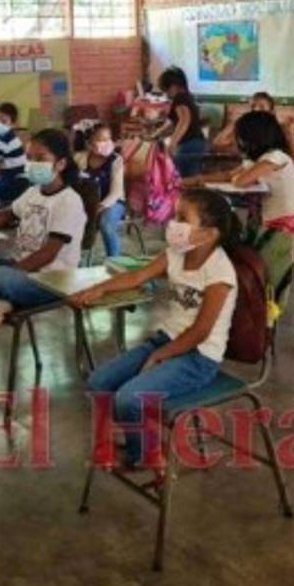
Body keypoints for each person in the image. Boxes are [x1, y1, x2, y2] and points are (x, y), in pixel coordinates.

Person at [72, 189, 240, 468]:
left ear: (208, 234)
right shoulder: (176, 253)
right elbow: (138, 275)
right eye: (175, 215)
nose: (173, 223)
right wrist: (99, 289)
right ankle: (146, 442)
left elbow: (201, 331)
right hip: (167, 341)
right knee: (98, 383)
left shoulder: (219, 273)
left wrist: (161, 355)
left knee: (129, 399)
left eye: (182, 218)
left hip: (198, 357)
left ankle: (143, 455)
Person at [0, 128, 96, 327]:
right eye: (29, 158)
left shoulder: (68, 201)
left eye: (40, 158)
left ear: (61, 164)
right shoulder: (33, 192)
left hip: (51, 280)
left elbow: (48, 254)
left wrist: (8, 271)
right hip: (20, 268)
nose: (32, 164)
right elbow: (7, 215)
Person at [187, 110, 294, 236]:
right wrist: (195, 180)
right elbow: (228, 175)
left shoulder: (275, 156)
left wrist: (238, 177)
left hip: (287, 222)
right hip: (275, 218)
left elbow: (240, 181)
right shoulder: (258, 160)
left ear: (251, 137)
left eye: (238, 136)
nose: (236, 141)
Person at [77, 122, 127, 258]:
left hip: (112, 203)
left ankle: (114, 261)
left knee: (106, 224)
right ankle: (74, 259)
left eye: (108, 139)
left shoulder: (116, 160)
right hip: (88, 202)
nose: (107, 143)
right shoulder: (80, 158)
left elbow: (116, 192)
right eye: (101, 140)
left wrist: (100, 206)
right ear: (89, 143)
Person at [211, 91, 294, 162]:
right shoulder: (247, 130)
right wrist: (236, 122)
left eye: (262, 107)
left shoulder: (282, 129)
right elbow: (217, 143)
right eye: (253, 107)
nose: (256, 110)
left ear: (271, 112)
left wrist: (290, 131)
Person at [158, 66, 208, 178]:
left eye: (166, 90)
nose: (167, 94)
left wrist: (172, 143)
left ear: (173, 86)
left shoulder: (179, 98)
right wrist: (156, 134)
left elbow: (184, 120)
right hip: (197, 143)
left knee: (183, 181)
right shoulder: (187, 97)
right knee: (192, 180)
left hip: (189, 145)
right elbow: (171, 123)